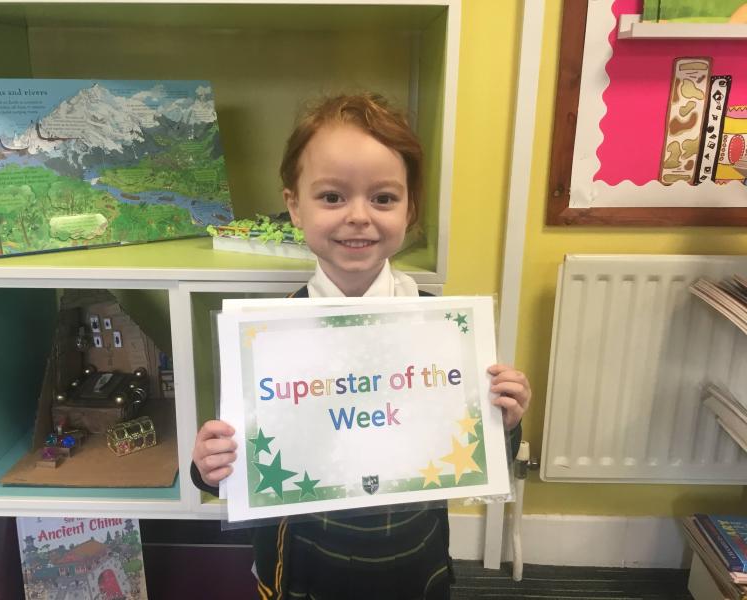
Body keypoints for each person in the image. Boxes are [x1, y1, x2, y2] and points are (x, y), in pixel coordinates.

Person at [191, 93, 531, 600]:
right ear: (295, 207)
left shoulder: (444, 333)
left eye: (383, 198)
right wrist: (210, 466)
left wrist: (505, 417)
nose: (358, 216)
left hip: (413, 564)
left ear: (410, 209)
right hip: (302, 569)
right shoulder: (265, 340)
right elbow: (236, 469)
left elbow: (476, 453)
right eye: (332, 197)